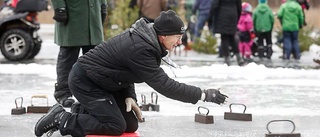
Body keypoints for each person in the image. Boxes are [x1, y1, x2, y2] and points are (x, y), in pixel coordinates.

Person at [34, 10, 228, 137]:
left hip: (106, 81)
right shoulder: (141, 48)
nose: (179, 42)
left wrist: (129, 96)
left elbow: (124, 69)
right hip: (86, 81)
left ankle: (81, 110)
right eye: (178, 37)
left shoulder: (148, 41)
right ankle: (62, 119)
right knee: (115, 126)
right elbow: (165, 86)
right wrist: (204, 94)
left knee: (130, 125)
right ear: (164, 35)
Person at [51, 0, 107, 108]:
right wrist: (59, 7)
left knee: (94, 59)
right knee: (68, 57)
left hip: (93, 13)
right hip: (72, 15)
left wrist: (103, 4)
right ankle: (63, 92)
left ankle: (92, 90)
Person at [208, 0, 245, 66]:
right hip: (233, 14)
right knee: (232, 36)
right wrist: (237, 16)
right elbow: (239, 5)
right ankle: (239, 58)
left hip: (222, 15)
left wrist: (210, 18)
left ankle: (227, 59)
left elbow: (214, 5)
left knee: (224, 37)